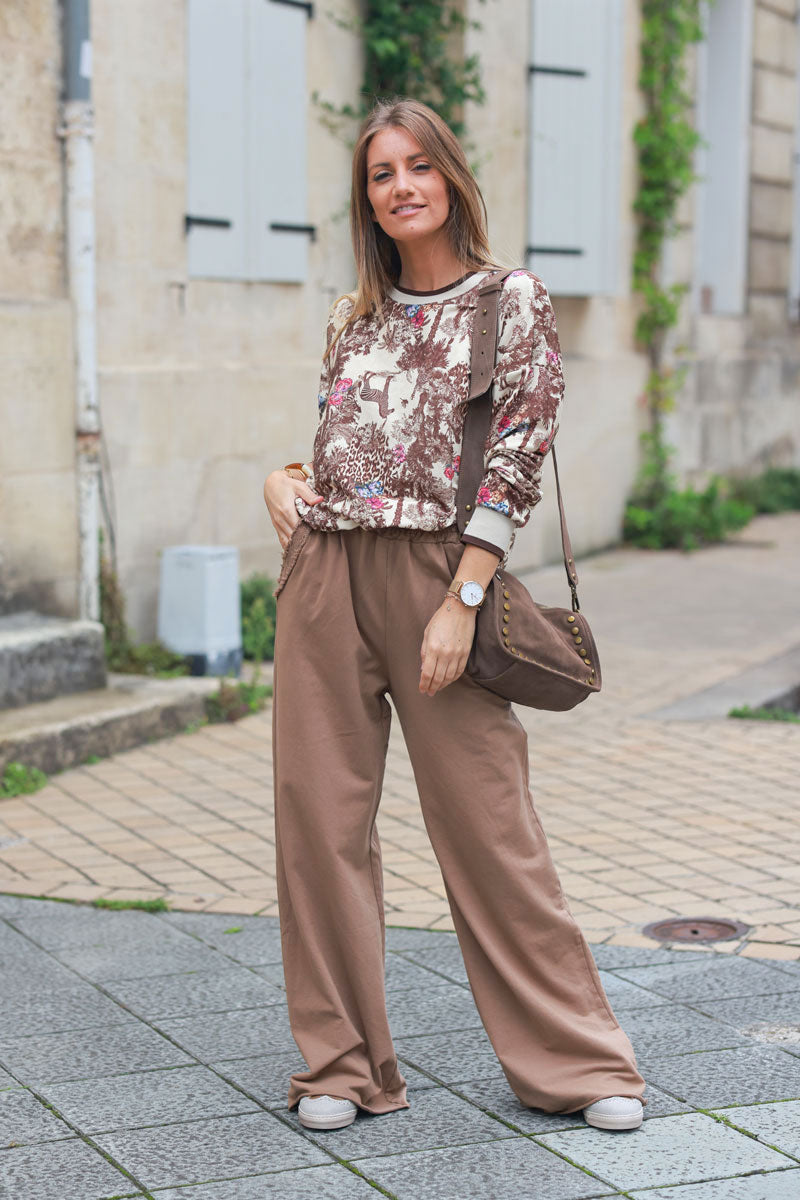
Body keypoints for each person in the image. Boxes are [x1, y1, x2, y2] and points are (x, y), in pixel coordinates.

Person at [262, 97, 647, 1134]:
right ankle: (341, 1066)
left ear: (451, 177)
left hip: (443, 575)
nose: (400, 186)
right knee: (318, 823)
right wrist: (281, 482)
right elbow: (346, 447)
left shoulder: (508, 301)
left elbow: (517, 453)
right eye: (380, 173)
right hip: (324, 574)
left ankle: (577, 1063)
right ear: (368, 199)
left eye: (417, 165)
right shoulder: (355, 316)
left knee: (488, 822)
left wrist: (462, 598)